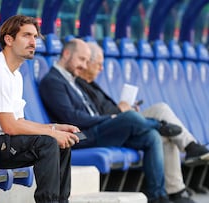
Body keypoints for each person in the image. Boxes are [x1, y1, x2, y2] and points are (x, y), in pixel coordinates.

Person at [0, 15, 81, 203]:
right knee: (47, 144)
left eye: (35, 37)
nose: (33, 42)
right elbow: (10, 127)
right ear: (9, 39)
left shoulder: (15, 75)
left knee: (62, 144)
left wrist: (55, 128)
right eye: (27, 36)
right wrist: (51, 134)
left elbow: (18, 122)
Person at [39, 39, 182, 203]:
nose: (84, 66)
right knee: (129, 117)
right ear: (66, 54)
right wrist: (109, 118)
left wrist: (109, 118)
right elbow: (71, 117)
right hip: (79, 136)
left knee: (151, 137)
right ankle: (159, 125)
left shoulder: (72, 80)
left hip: (97, 129)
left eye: (86, 61)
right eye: (81, 59)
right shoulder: (52, 81)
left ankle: (158, 195)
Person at [74, 42, 209, 203]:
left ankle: (175, 190)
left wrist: (126, 108)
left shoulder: (91, 85)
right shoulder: (75, 85)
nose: (101, 68)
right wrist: (120, 111)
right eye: (99, 64)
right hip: (112, 125)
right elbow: (96, 117)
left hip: (119, 121)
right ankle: (190, 146)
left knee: (165, 130)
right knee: (161, 113)